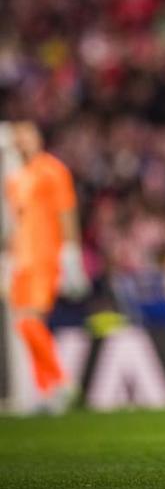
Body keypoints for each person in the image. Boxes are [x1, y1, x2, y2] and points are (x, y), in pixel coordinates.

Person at [4, 121, 87, 411]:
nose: (23, 141)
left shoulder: (53, 170)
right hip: (21, 259)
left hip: (45, 256)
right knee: (23, 324)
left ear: (38, 138)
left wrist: (71, 252)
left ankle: (61, 382)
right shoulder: (15, 178)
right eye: (19, 136)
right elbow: (15, 223)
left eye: (28, 135)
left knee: (31, 320)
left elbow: (67, 211)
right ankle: (47, 390)